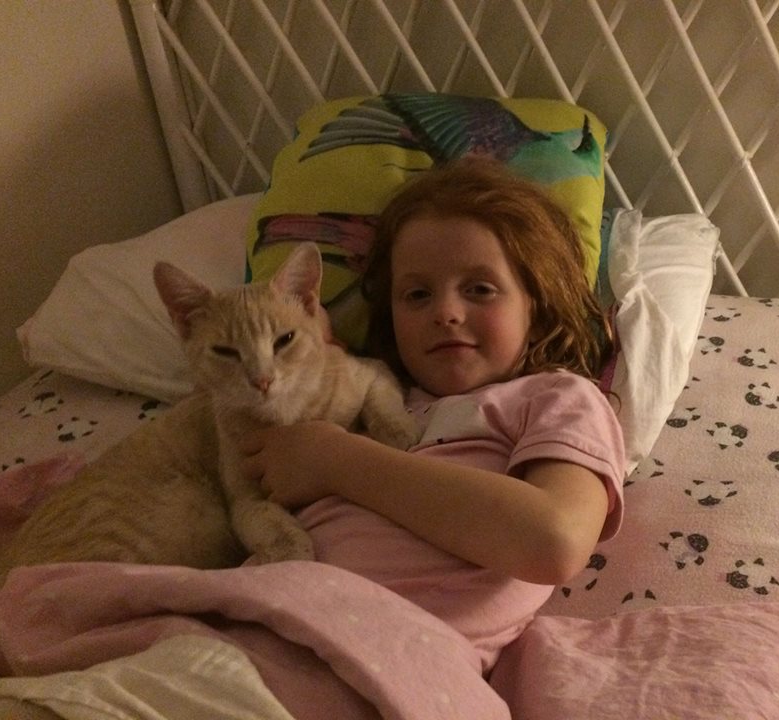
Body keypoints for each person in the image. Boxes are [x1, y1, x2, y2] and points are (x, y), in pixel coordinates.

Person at [239, 159, 625, 670]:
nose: (445, 312)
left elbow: (554, 539)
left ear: (535, 307)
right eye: (417, 294)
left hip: (383, 659)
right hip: (250, 621)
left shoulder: (556, 396)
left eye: (480, 289)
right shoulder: (372, 396)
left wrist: (336, 459)